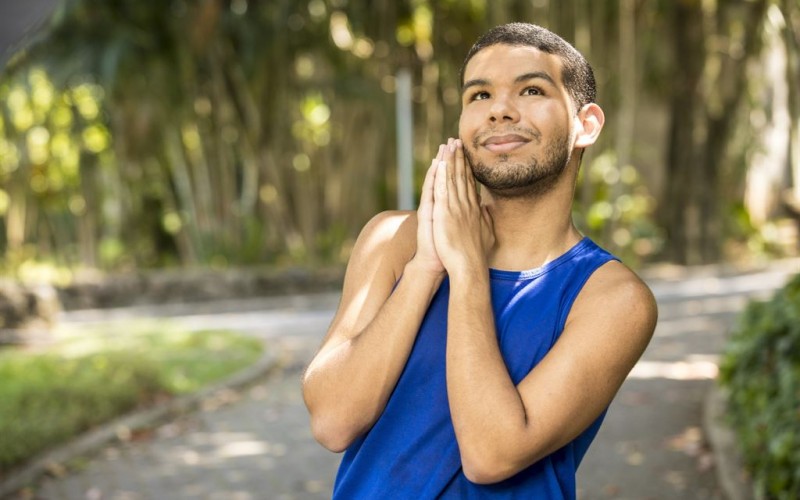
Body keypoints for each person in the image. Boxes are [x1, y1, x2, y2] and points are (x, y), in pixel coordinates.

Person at [302, 22, 658, 499]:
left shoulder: (612, 299)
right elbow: (332, 421)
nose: (499, 111)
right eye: (479, 96)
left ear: (585, 125)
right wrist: (425, 268)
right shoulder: (393, 240)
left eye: (531, 89)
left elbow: (491, 454)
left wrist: (468, 270)